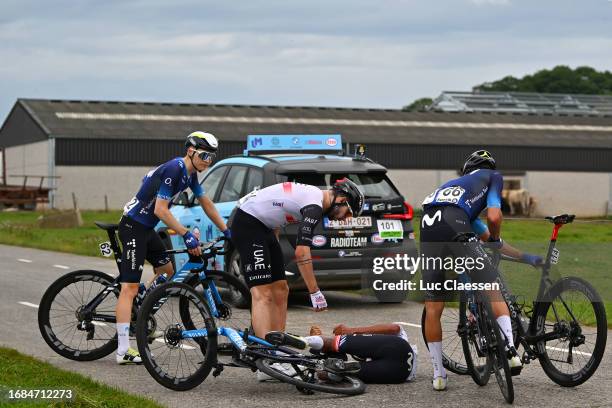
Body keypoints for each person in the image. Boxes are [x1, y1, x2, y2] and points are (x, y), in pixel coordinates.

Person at [420, 150, 542, 390]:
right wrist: (496, 239)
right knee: (491, 287)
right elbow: (494, 219)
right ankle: (509, 351)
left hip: (428, 226)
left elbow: (484, 235)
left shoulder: (453, 192)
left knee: (433, 307)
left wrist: (523, 256)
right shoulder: (492, 176)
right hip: (453, 224)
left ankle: (438, 375)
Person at [115, 131, 230, 364]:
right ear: (191, 151)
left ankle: (142, 309)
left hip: (146, 229)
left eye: (212, 158)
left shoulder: (190, 175)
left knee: (167, 271)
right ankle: (123, 350)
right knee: (130, 287)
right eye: (205, 156)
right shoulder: (174, 169)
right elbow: (160, 210)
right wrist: (186, 234)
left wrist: (226, 229)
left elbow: (206, 203)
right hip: (133, 226)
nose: (208, 162)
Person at [230, 178, 364, 338]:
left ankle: (277, 343)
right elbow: (301, 252)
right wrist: (314, 292)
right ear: (341, 200)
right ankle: (263, 350)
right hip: (248, 222)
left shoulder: (315, 200)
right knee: (263, 293)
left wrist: (272, 251)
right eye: (348, 212)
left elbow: (277, 214)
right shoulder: (315, 206)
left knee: (281, 289)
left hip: (266, 227)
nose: (346, 219)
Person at [270, 322, 417, 384]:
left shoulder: (399, 340)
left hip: (399, 348)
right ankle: (321, 363)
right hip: (401, 373)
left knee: (333, 343)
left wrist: (353, 331)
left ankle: (306, 340)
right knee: (330, 372)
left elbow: (395, 328)